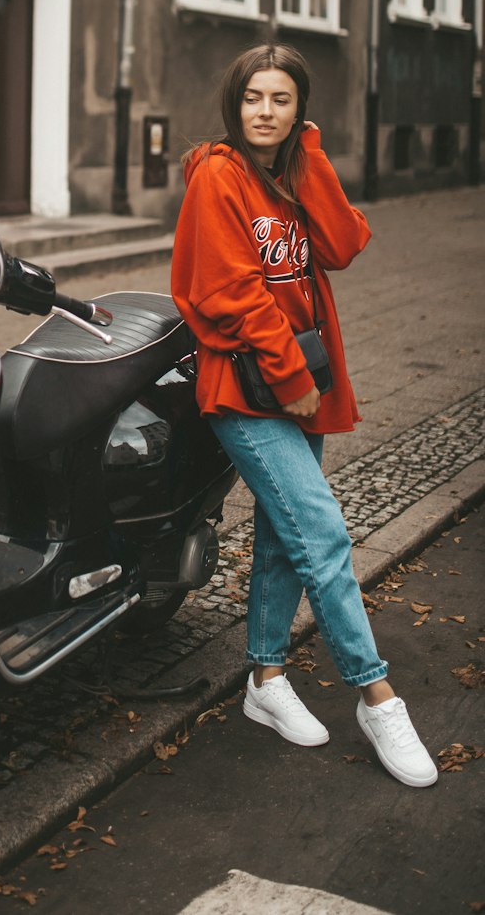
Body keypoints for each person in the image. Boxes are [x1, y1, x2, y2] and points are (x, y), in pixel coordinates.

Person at [170, 42, 437, 788]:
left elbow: (345, 244)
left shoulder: (287, 172)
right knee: (319, 530)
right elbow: (225, 291)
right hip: (248, 389)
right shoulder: (218, 177)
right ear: (235, 102)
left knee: (286, 538)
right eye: (254, 98)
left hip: (298, 383)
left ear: (298, 110)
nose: (266, 111)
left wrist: (308, 154)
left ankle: (264, 680)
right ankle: (376, 694)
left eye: (282, 101)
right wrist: (290, 379)